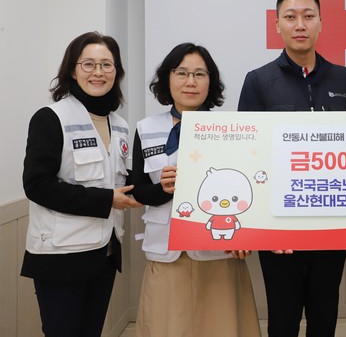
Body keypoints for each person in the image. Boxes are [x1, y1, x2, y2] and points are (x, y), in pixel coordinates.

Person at [238, 0, 346, 337]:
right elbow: (248, 154)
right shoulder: (258, 81)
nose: (300, 24)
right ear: (277, 25)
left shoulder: (345, 79)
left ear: (321, 22)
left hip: (331, 222)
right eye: (290, 17)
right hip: (279, 225)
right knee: (282, 319)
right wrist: (260, 225)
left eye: (308, 16)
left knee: (325, 316)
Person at [132, 43, 261, 337]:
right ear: (167, 79)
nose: (190, 81)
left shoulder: (232, 130)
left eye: (199, 74)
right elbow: (138, 190)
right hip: (167, 250)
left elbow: (249, 188)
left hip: (219, 250)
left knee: (222, 328)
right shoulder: (146, 128)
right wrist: (163, 189)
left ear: (210, 82)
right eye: (182, 73)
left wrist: (246, 236)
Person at [21, 31, 142, 336]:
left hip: (104, 254)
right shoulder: (51, 117)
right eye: (88, 64)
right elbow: (37, 185)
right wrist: (107, 200)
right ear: (72, 71)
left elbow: (117, 178)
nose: (98, 72)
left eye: (106, 65)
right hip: (60, 256)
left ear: (116, 72)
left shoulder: (120, 124)